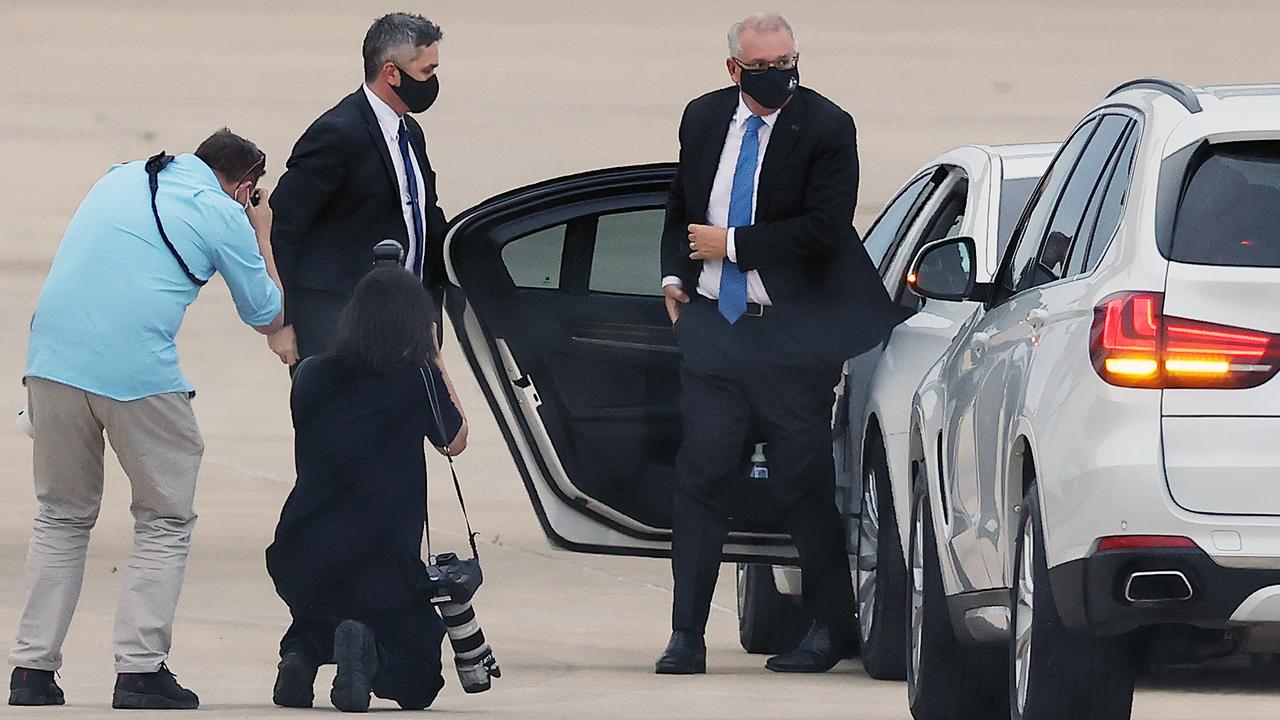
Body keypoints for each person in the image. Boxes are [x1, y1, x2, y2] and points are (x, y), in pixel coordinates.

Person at [655, 13, 911, 675]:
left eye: (789, 60)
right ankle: (685, 635)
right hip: (716, 329)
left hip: (793, 338)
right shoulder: (704, 117)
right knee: (702, 477)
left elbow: (825, 228)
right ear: (735, 70)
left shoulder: (826, 126)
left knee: (803, 486)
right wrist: (675, 276)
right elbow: (683, 198)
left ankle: (831, 629)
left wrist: (733, 245)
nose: (781, 75)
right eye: (765, 66)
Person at [8, 129, 284, 709]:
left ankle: (31, 671)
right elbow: (265, 312)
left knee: (60, 516)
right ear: (244, 184)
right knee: (164, 518)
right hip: (136, 373)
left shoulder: (121, 175)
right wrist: (261, 230)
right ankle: (139, 670)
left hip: (49, 364)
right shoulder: (222, 211)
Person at [265, 266, 468, 713]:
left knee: (322, 607)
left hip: (301, 550)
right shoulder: (416, 379)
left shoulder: (312, 374)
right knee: (419, 683)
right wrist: (433, 358)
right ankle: (367, 647)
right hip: (381, 559)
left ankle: (299, 655)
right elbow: (454, 441)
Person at [268, 11, 450, 366]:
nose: (432, 81)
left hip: (405, 327)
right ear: (392, 73)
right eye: (427, 71)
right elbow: (283, 224)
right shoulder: (337, 133)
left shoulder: (410, 133)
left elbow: (425, 219)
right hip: (340, 330)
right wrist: (281, 321)